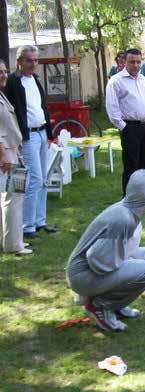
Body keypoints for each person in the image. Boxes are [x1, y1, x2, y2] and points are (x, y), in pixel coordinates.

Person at [65, 169, 145, 332]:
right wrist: (125, 263)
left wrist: (124, 262)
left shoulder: (127, 211)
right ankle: (99, 307)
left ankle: (116, 305)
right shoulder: (123, 218)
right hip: (82, 275)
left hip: (92, 270)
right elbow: (96, 259)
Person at [5, 45, 57, 240]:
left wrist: (50, 133)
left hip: (42, 132)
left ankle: (39, 221)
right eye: (29, 60)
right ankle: (27, 226)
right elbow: (11, 112)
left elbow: (42, 107)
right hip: (28, 137)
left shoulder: (34, 79)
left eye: (36, 60)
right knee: (33, 178)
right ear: (19, 61)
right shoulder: (13, 81)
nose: (33, 64)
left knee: (43, 178)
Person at [106, 48, 145, 195]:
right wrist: (124, 127)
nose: (135, 65)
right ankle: (129, 198)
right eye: (132, 62)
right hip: (129, 128)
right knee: (131, 165)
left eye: (138, 62)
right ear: (125, 62)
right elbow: (112, 108)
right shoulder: (116, 81)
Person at [0, 58, 31, 255]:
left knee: (16, 195)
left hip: (13, 151)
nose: (3, 75)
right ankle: (13, 244)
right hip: (5, 154)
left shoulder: (2, 95)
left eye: (4, 71)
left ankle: (13, 239)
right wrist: (3, 155)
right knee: (12, 197)